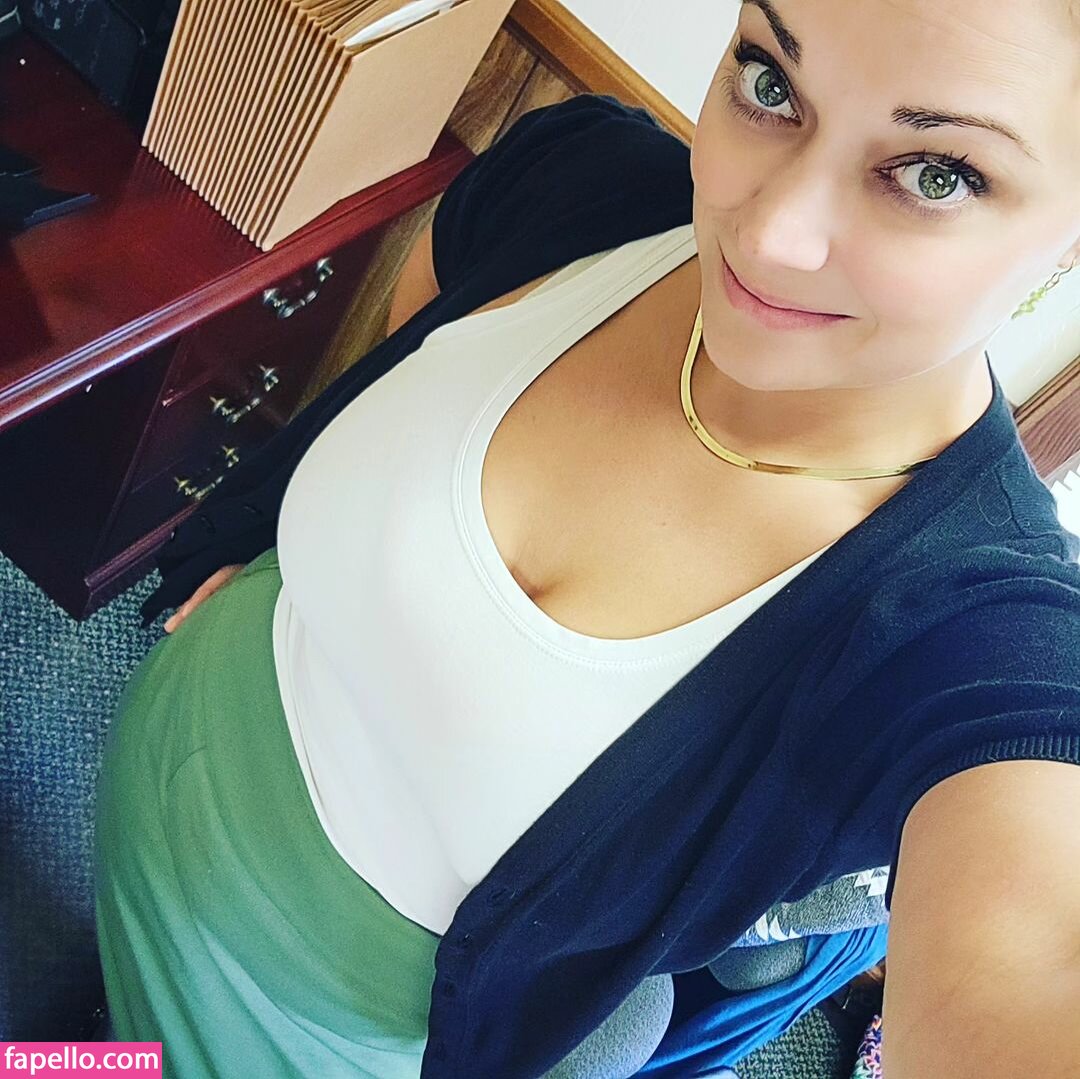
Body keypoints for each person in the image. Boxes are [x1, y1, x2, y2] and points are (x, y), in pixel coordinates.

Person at [94, 1, 1080, 1076]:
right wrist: (266, 553)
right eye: (770, 82)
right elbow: (394, 367)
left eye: (937, 174)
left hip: (303, 1027)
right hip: (158, 760)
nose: (768, 234)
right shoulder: (579, 182)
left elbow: (1028, 964)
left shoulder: (980, 639)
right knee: (73, 1054)